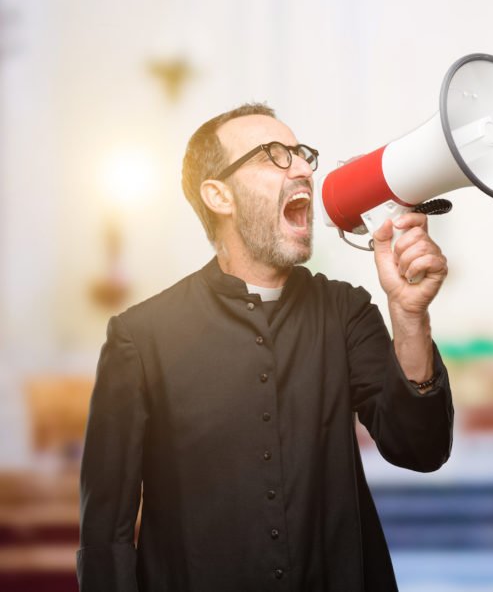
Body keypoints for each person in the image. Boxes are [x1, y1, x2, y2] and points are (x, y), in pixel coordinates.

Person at [77, 103, 454, 591]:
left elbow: (420, 450)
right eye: (272, 155)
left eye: (301, 154)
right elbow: (106, 535)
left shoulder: (345, 311)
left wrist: (409, 315)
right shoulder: (140, 337)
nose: (301, 168)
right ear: (219, 195)